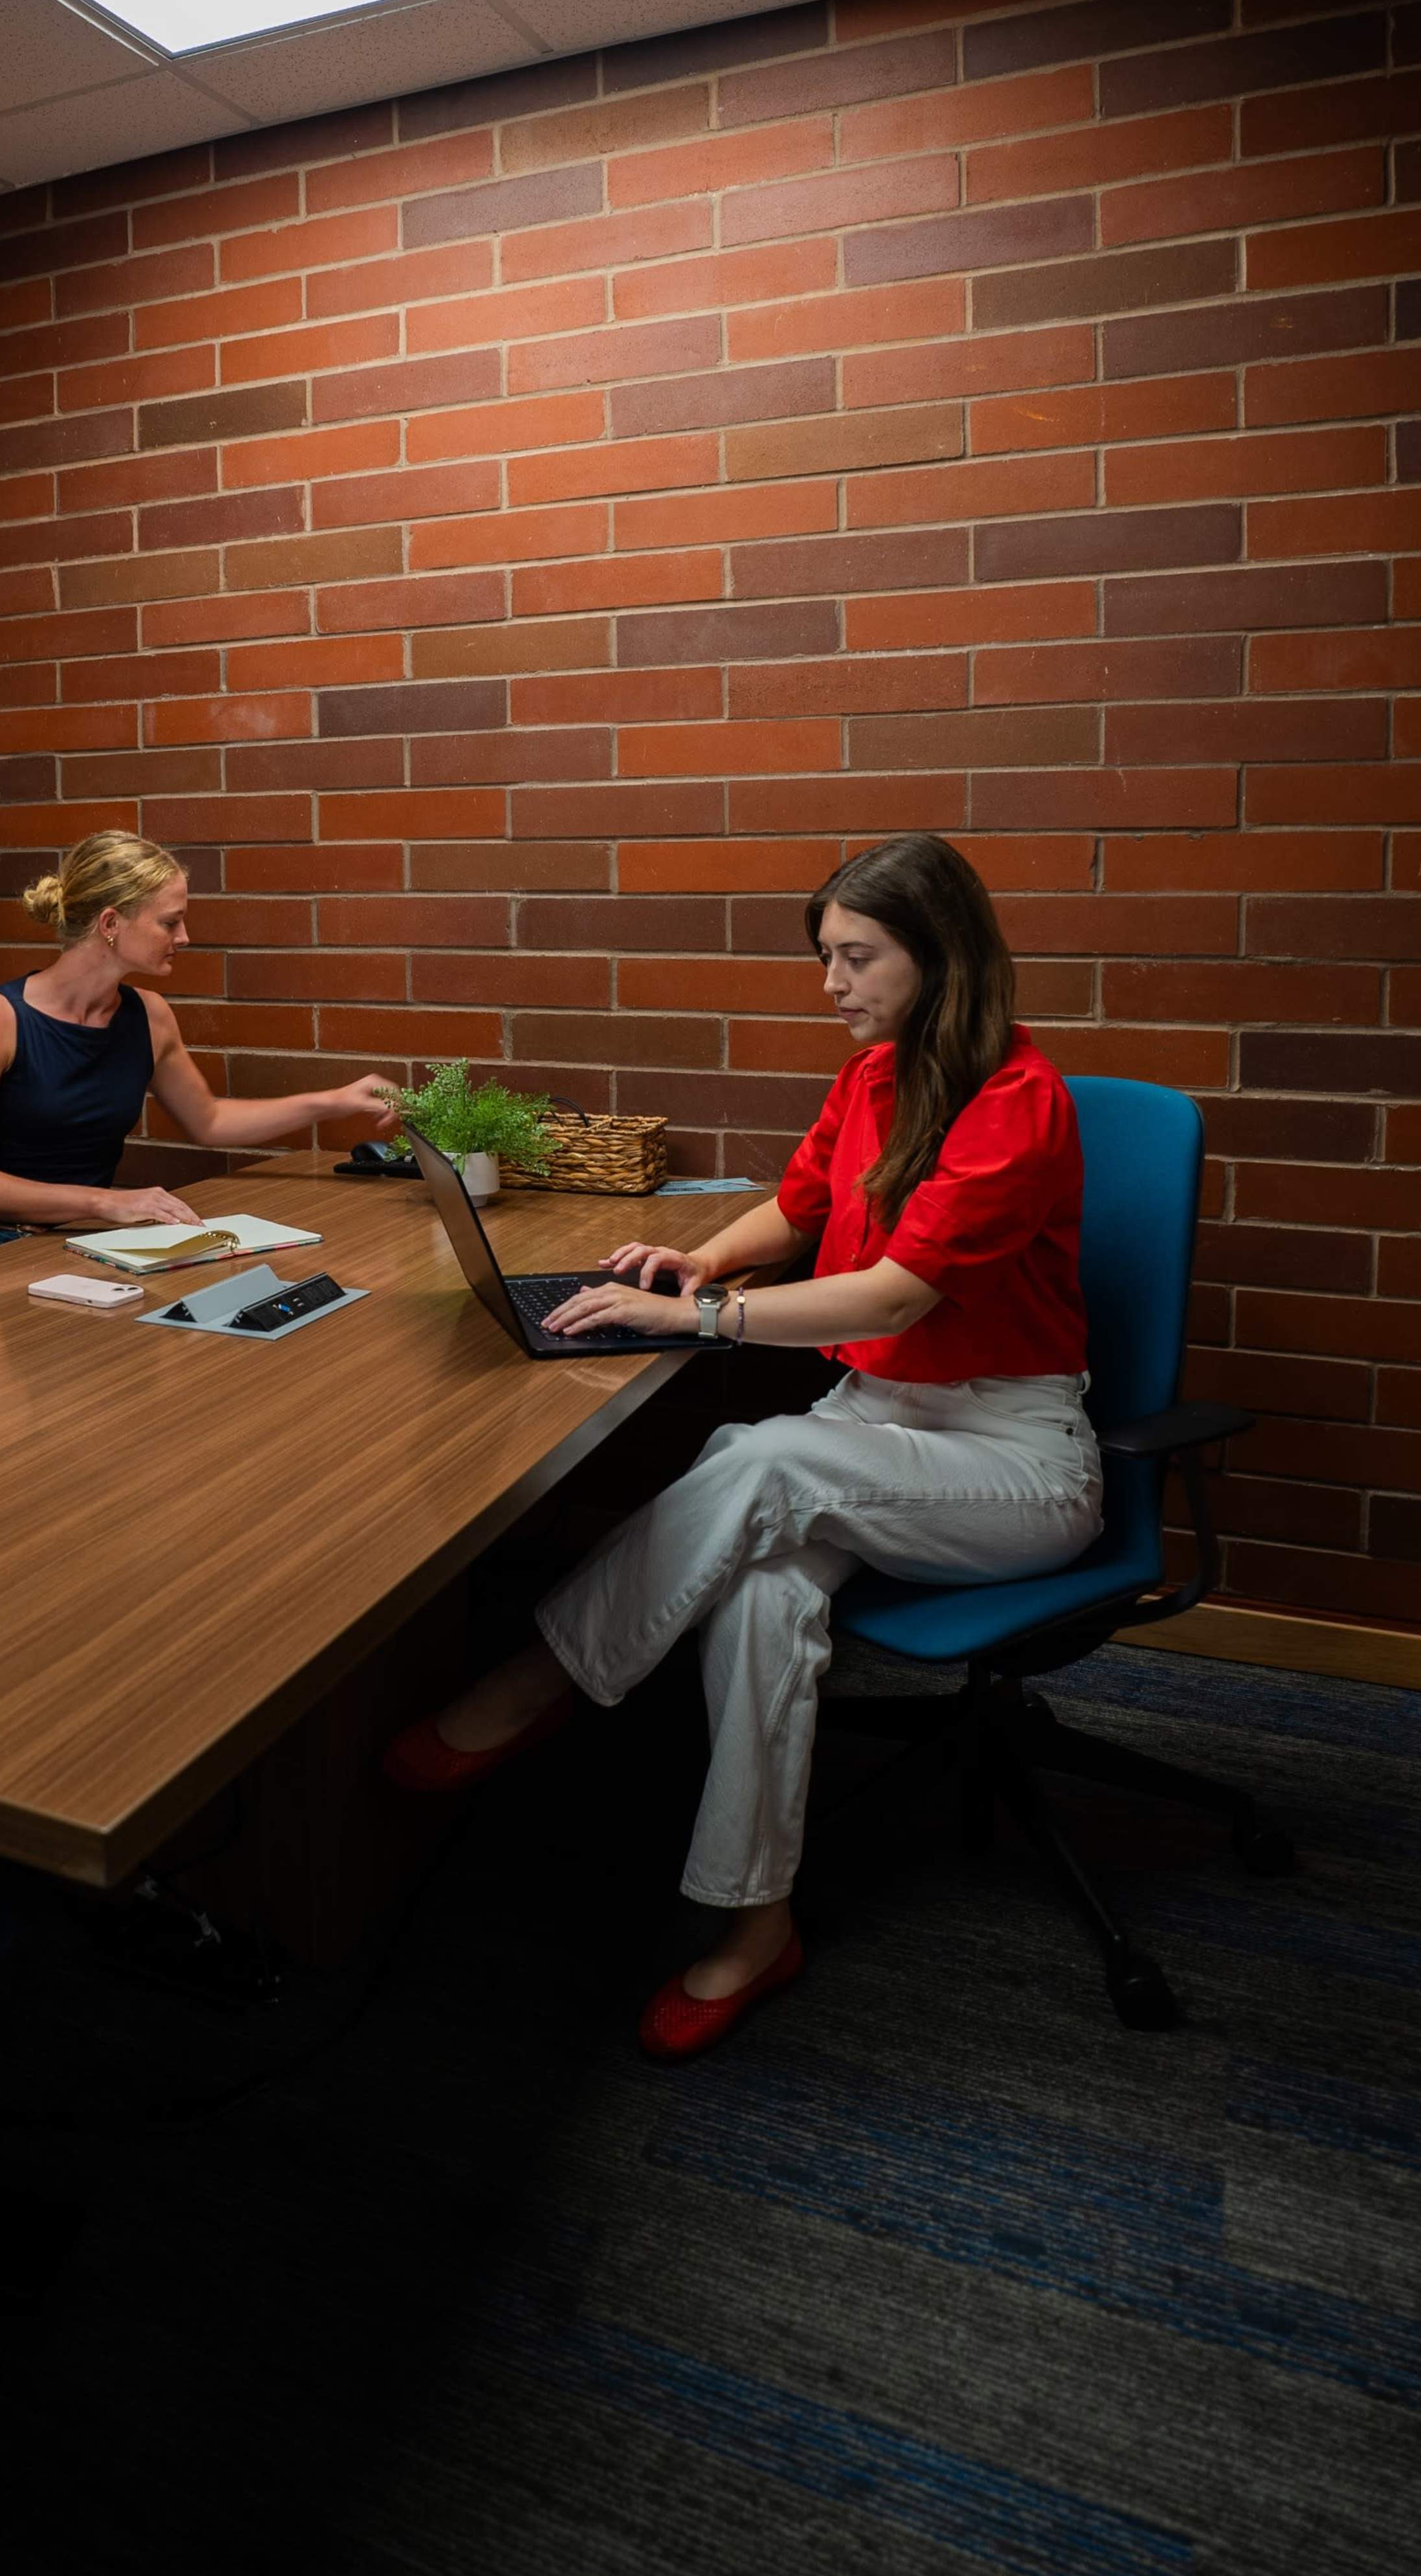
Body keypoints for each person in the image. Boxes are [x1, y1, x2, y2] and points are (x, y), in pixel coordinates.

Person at [382, 831, 1101, 2062]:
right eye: (827, 957)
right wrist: (703, 1257)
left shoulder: (1017, 1104)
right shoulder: (872, 1076)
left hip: (1013, 1460)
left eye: (858, 957)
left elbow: (886, 1298)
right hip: (869, 1432)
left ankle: (542, 1675)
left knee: (758, 1453)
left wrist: (697, 1316)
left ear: (943, 954)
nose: (833, 984)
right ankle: (755, 1921)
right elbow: (801, 1202)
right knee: (761, 1592)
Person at [0, 828, 397, 1271]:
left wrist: (337, 1101)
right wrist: (104, 1203)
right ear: (111, 923)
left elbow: (210, 1121)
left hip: (73, 1247)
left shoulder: (150, 1016)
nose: (184, 936)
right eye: (169, 922)